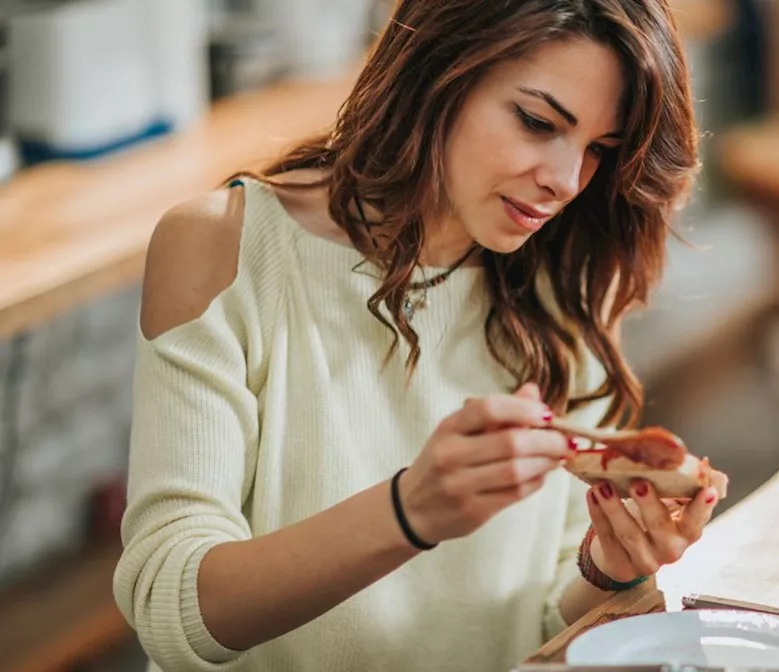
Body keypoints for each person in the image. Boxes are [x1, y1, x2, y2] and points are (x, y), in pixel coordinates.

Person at [112, 1, 715, 670]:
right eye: (538, 122)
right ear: (438, 70)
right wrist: (408, 512)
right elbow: (168, 607)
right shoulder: (224, 247)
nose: (566, 182)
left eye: (601, 150)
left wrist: (612, 567)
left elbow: (538, 616)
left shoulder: (567, 283)